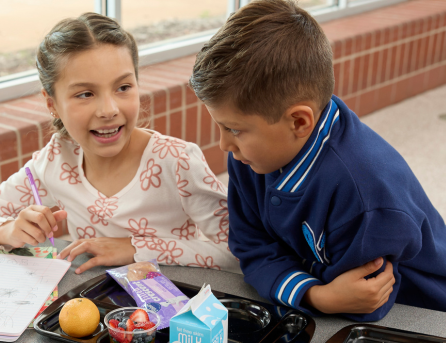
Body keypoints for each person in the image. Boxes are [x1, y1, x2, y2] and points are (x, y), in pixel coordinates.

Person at [189, 0, 446, 321]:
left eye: (234, 129)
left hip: (421, 313)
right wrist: (317, 295)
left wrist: (316, 294)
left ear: (299, 122)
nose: (224, 144)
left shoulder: (365, 194)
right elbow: (250, 247)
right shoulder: (249, 155)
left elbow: (365, 301)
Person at [0, 13, 240, 274]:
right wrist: (7, 229)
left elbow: (240, 255)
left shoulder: (177, 162)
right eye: (85, 94)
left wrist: (136, 248)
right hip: (90, 313)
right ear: (52, 104)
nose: (108, 109)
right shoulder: (55, 160)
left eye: (123, 87)